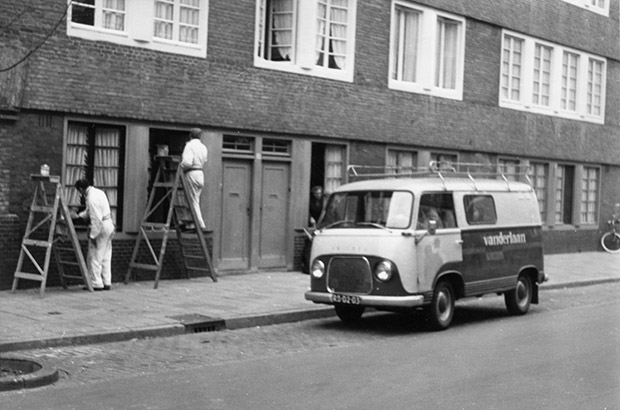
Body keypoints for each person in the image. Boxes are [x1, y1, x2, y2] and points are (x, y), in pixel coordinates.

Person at [74, 178, 115, 291]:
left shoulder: (91, 198)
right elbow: (90, 211)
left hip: (101, 227)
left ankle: (96, 283)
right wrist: (79, 216)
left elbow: (96, 219)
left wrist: (93, 236)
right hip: (109, 224)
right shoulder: (99, 192)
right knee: (106, 255)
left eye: (79, 191)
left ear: (81, 189)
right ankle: (107, 281)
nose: (80, 194)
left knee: (94, 256)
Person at [179, 127, 208, 230]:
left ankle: (200, 225)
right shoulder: (203, 147)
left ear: (190, 136)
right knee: (193, 199)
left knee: (193, 201)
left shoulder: (189, 146)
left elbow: (187, 162)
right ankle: (190, 223)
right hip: (200, 173)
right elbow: (204, 160)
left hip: (192, 173)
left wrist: (180, 166)